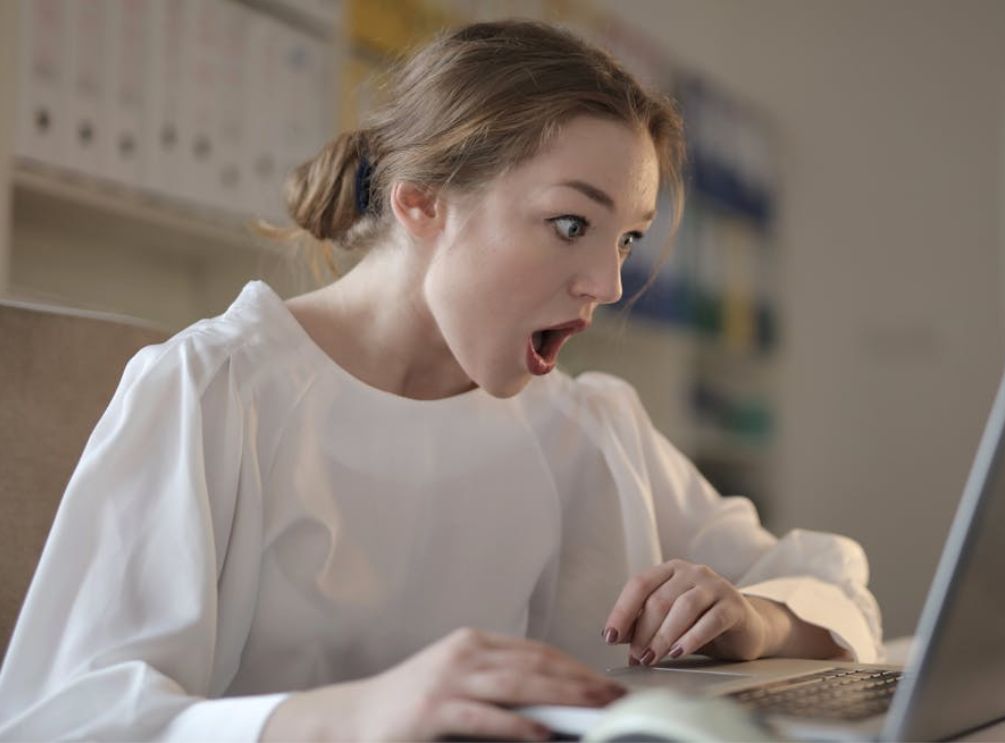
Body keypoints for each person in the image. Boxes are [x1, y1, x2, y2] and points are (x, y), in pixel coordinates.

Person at [0, 20, 881, 742]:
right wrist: (354, 714)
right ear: (422, 201)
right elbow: (59, 719)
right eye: (569, 222)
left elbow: (824, 582)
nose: (607, 286)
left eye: (625, 240)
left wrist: (753, 619)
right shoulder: (212, 389)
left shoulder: (589, 422)